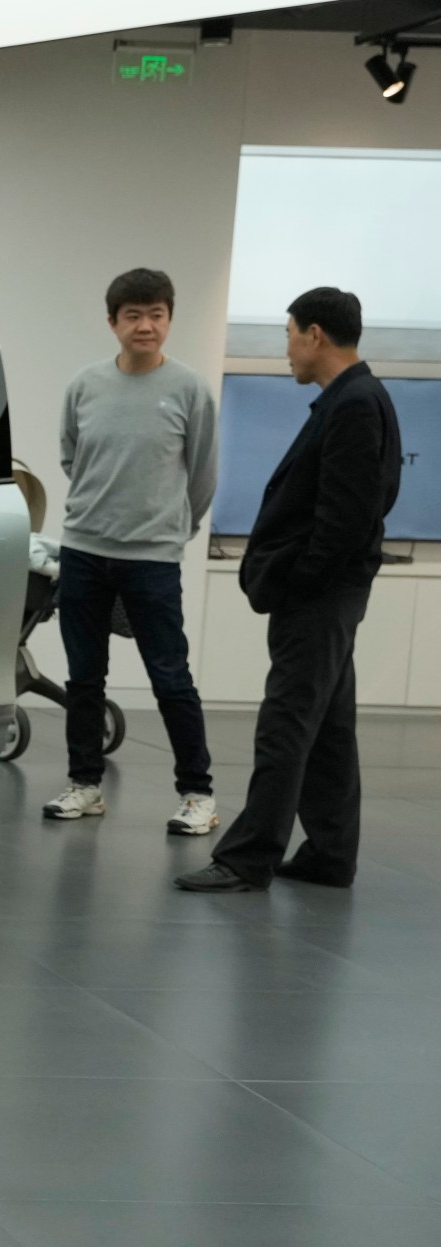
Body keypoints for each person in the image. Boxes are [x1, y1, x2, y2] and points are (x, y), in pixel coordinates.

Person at [178, 287, 401, 893]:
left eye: (288, 334)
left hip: (319, 599)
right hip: (329, 594)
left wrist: (299, 580)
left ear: (316, 336)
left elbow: (347, 517)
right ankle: (330, 854)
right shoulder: (357, 397)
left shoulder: (354, 404)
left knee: (287, 723)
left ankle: (248, 857)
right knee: (327, 726)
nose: (287, 348)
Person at [39, 269, 220, 835]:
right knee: (84, 678)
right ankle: (84, 785)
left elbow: (204, 473)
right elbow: (72, 458)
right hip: (84, 551)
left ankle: (198, 794)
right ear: (113, 322)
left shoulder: (189, 389)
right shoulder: (85, 385)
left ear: (169, 319)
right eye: (133, 316)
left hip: (154, 558)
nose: (146, 326)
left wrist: (171, 529)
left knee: (171, 677)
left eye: (157, 315)